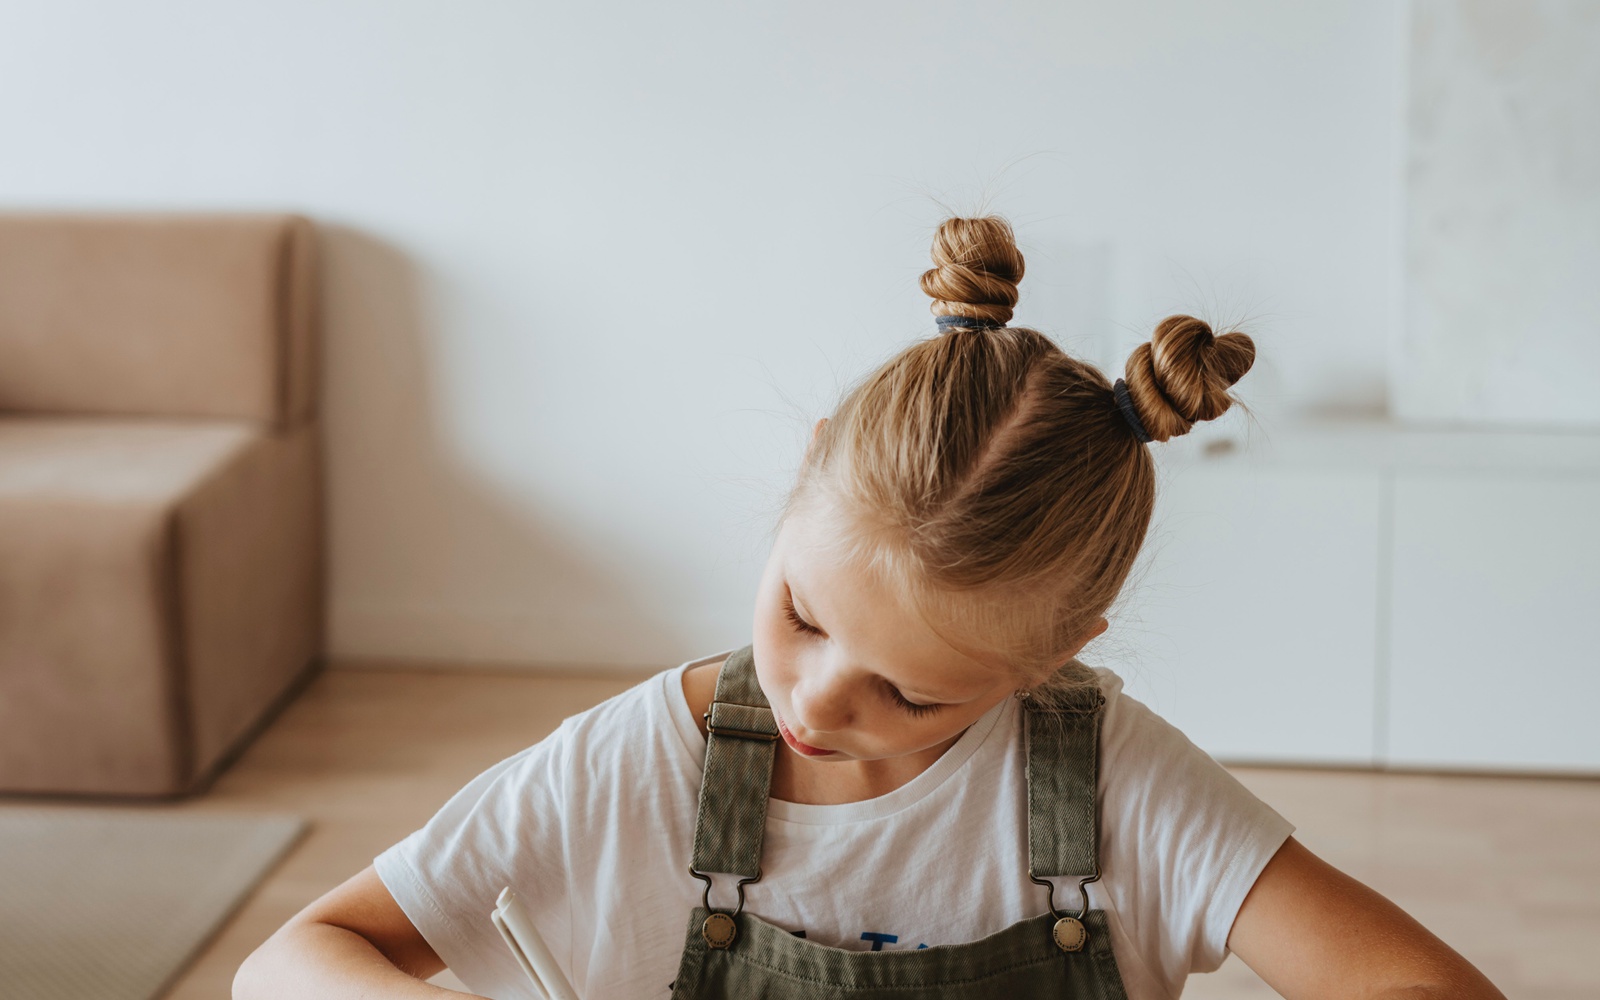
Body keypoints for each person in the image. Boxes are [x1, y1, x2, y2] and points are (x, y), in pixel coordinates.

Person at [235, 217, 1506, 1000]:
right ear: (808, 467)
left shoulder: (1116, 788)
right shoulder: (635, 766)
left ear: (1054, 658)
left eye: (912, 691)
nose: (816, 694)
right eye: (800, 613)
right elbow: (287, 961)